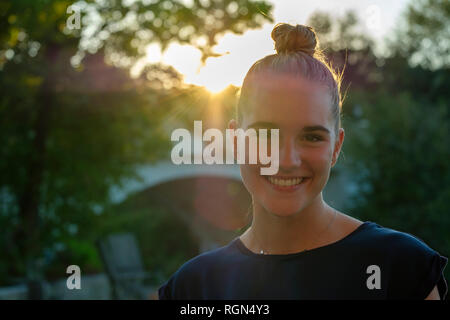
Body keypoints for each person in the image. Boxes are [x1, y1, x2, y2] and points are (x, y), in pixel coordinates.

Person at [158, 23, 448, 300]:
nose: (287, 159)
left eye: (311, 137)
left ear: (336, 147)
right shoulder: (194, 287)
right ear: (235, 141)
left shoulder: (400, 268)